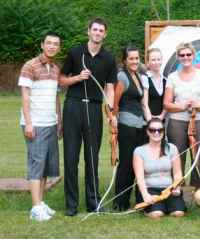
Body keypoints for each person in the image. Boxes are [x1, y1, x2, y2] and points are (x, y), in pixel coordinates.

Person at [59, 17, 118, 216]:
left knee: (91, 158)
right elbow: (61, 79)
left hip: (94, 109)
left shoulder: (109, 58)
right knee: (71, 157)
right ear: (88, 31)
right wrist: (77, 77)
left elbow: (110, 88)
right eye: (95, 29)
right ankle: (71, 205)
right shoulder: (76, 53)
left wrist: (110, 112)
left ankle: (93, 203)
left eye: (101, 30)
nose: (98, 33)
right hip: (73, 107)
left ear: (105, 34)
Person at [19, 31, 62, 221]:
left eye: (56, 44)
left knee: (46, 166)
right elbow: (25, 97)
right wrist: (28, 123)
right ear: (42, 45)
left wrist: (59, 121)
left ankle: (41, 202)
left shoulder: (55, 69)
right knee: (37, 164)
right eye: (49, 43)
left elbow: (56, 97)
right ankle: (35, 208)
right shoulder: (30, 66)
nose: (52, 46)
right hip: (35, 124)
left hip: (51, 123)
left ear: (58, 48)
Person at [163, 42, 200, 188]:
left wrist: (199, 105)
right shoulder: (173, 77)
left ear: (193, 56)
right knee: (178, 157)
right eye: (182, 55)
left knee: (199, 157)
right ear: (178, 57)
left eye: (188, 54)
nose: (185, 57)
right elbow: (167, 104)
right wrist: (182, 106)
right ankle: (177, 192)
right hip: (177, 122)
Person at [112, 45, 151, 211]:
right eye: (131, 59)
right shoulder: (122, 76)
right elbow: (114, 102)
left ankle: (139, 199)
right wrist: (113, 120)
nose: (135, 61)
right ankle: (120, 202)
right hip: (127, 125)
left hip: (140, 126)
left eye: (137, 58)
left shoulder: (137, 75)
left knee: (139, 163)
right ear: (124, 60)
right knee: (126, 164)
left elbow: (142, 103)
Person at [133, 118, 186, 218]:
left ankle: (166, 206)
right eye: (152, 130)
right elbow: (139, 178)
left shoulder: (172, 148)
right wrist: (145, 195)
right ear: (147, 131)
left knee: (178, 213)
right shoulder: (139, 151)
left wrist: (177, 187)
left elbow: (177, 173)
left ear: (163, 131)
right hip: (150, 189)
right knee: (157, 214)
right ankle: (156, 208)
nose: (156, 133)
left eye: (160, 130)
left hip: (169, 189)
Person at [142, 48, 167, 120]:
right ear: (148, 62)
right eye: (153, 60)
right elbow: (144, 104)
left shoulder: (165, 80)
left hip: (161, 121)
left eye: (158, 59)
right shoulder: (145, 78)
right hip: (148, 120)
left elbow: (167, 103)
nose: (156, 62)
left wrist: (161, 117)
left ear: (162, 61)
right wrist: (150, 121)